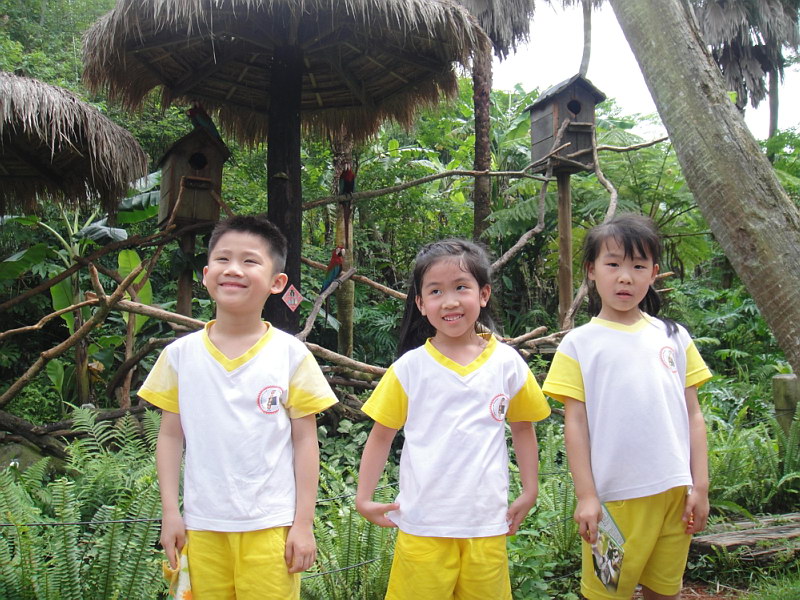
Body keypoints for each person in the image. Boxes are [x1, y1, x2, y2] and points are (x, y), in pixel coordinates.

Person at [139, 215, 338, 599]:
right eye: (223, 259)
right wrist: (170, 513)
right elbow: (170, 436)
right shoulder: (179, 356)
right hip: (201, 528)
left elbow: (305, 442)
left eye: (250, 261)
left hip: (271, 528)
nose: (233, 269)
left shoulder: (291, 356)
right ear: (206, 274)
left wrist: (303, 524)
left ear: (277, 282)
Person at [355, 239, 551, 600]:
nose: (449, 301)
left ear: (483, 294)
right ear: (420, 304)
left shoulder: (507, 363)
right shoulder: (410, 368)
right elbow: (381, 435)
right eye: (435, 291)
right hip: (423, 526)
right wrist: (363, 498)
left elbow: (524, 427)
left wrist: (530, 490)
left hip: (486, 525)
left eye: (461, 287)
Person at [542, 213, 712, 600]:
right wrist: (587, 496)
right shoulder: (579, 344)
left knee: (665, 590)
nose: (625, 277)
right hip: (613, 503)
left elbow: (693, 414)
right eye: (613, 264)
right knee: (606, 592)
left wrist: (699, 486)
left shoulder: (673, 336)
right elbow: (575, 424)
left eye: (638, 266)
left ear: (654, 273)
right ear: (591, 270)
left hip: (675, 496)